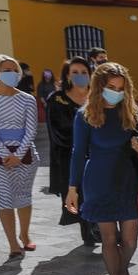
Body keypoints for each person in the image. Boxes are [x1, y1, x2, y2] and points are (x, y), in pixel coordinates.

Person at [65, 62, 138, 275]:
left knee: (130, 241)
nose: (116, 92)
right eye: (111, 87)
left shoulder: (132, 113)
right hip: (98, 180)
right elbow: (78, 153)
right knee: (109, 238)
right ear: (99, 87)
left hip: (128, 180)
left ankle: (120, 271)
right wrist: (73, 187)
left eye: (120, 88)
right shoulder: (85, 116)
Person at [0, 55, 40, 258]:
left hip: (25, 155)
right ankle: (12, 243)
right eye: (6, 69)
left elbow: (31, 130)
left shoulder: (27, 99)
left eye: (15, 70)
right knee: (4, 197)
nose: (12, 73)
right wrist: (6, 154)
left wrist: (18, 155)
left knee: (23, 196)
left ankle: (25, 234)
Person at [46, 56, 98, 246]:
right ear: (67, 76)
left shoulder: (97, 97)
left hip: (98, 155)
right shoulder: (57, 100)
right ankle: (88, 230)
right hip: (69, 156)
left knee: (97, 190)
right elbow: (59, 132)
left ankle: (99, 225)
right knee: (79, 192)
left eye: (84, 72)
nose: (80, 76)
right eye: (75, 72)